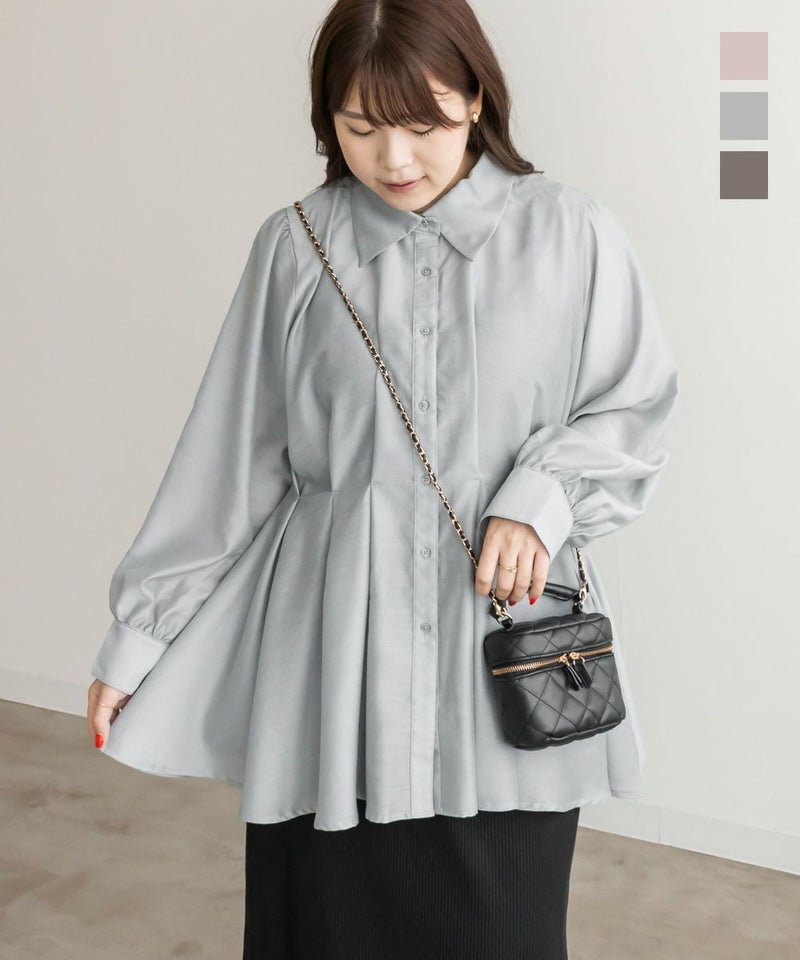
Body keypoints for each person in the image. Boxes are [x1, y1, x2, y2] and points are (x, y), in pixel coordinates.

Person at [86, 0, 679, 957]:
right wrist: (137, 641)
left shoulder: (570, 233)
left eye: (423, 124)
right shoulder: (297, 245)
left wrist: (542, 499)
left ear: (476, 98)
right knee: (324, 929)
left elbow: (635, 405)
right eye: (360, 128)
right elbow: (230, 461)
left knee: (500, 923)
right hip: (331, 658)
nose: (394, 159)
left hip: (501, 650)